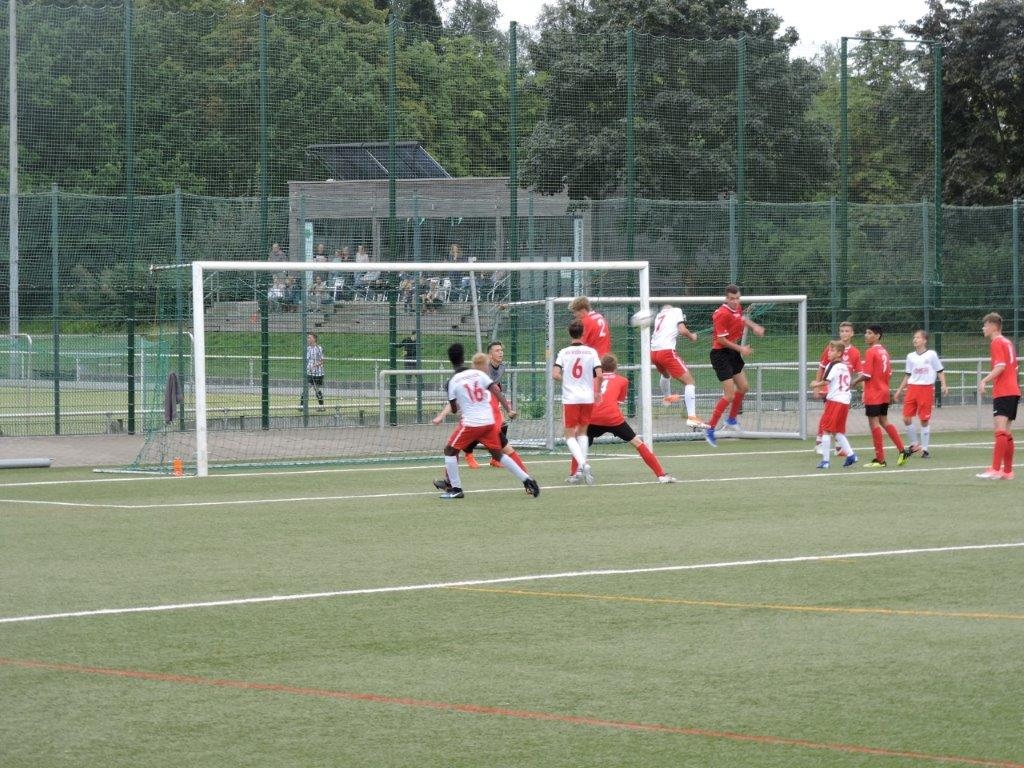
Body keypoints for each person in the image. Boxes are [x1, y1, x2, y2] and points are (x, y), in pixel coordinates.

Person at [431, 344, 540, 500]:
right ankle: (527, 479)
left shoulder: (454, 380)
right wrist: (508, 409)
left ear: (450, 360)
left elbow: (454, 409)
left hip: (471, 423)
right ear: (464, 358)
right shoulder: (478, 374)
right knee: (498, 454)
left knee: (450, 450)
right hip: (489, 422)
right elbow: (496, 390)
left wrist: (452, 408)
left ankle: (456, 489)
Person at [566, 354, 677, 484]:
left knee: (579, 443)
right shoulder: (623, 381)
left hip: (592, 418)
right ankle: (661, 475)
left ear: (600, 367)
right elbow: (618, 402)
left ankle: (574, 474)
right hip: (613, 418)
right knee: (638, 443)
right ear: (615, 367)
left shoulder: (591, 380)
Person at [704, 284, 765, 447]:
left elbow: (742, 318)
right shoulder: (721, 314)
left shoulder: (737, 308)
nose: (735, 301)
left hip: (732, 353)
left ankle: (731, 419)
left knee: (744, 387)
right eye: (732, 299)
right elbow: (721, 340)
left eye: (737, 298)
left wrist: (754, 326)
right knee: (729, 395)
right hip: (720, 354)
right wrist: (741, 349)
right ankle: (710, 429)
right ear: (726, 298)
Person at [650, 303, 712, 441]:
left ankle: (667, 397)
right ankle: (692, 417)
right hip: (666, 351)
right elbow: (682, 330)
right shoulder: (676, 310)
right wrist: (692, 336)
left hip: (653, 352)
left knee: (665, 374)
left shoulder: (659, 315)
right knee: (690, 382)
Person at [851, 325, 910, 467]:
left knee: (874, 423)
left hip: (874, 393)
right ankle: (902, 450)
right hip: (884, 391)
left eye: (869, 333)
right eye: (866, 332)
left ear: (877, 336)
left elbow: (867, 375)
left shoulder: (871, 351)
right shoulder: (884, 352)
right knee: (884, 421)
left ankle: (880, 459)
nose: (866, 335)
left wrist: (854, 382)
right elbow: (889, 373)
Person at [552, 319, 603, 484]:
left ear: (569, 333)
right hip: (587, 397)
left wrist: (566, 380)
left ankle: (583, 464)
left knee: (569, 435)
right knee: (582, 432)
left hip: (571, 398)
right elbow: (599, 375)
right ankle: (582, 468)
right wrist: (597, 392)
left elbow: (555, 374)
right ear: (583, 333)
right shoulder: (591, 352)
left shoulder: (564, 352)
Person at [976, 312, 1019, 480]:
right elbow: (1014, 368)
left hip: (1004, 391)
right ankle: (1007, 471)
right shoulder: (1008, 342)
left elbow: (1000, 366)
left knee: (1000, 429)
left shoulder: (996, 342)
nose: (983, 328)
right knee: (1006, 431)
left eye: (985, 325)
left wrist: (984, 380)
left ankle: (995, 469)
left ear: (993, 326)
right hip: (1013, 391)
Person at [893, 329, 949, 459]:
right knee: (906, 418)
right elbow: (908, 374)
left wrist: (944, 384)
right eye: (914, 337)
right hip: (912, 388)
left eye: (918, 337)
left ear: (924, 340)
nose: (915, 340)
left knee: (924, 420)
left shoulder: (931, 354)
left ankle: (925, 449)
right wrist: (899, 390)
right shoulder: (910, 356)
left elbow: (940, 370)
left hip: (926, 389)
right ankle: (915, 444)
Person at [814, 321, 861, 457]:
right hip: (830, 387)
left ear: (852, 333)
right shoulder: (831, 348)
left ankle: (839, 446)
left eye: (847, 331)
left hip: (843, 391)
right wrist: (818, 386)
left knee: (839, 417)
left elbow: (859, 372)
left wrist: (864, 391)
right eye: (842, 331)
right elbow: (821, 367)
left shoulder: (855, 352)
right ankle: (820, 441)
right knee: (827, 415)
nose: (844, 333)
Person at [808, 340, 858, 469]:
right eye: (829, 350)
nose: (828, 353)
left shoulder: (832, 365)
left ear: (839, 353)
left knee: (826, 429)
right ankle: (851, 455)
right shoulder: (844, 366)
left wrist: (815, 384)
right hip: (845, 400)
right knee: (837, 431)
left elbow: (826, 381)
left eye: (832, 350)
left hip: (835, 400)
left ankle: (825, 461)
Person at [303, 332, 325, 409]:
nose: (308, 339)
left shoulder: (319, 348)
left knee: (316, 389)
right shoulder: (308, 348)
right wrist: (308, 367)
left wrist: (314, 366)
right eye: (308, 337)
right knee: (306, 388)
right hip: (309, 372)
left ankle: (321, 406)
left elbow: (322, 361)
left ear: (314, 339)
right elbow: (307, 360)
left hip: (318, 373)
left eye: (310, 337)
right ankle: (302, 406)